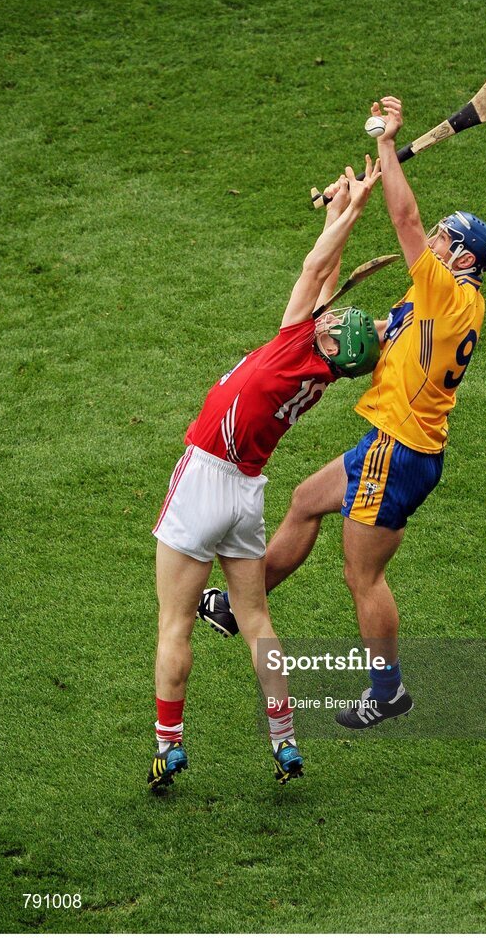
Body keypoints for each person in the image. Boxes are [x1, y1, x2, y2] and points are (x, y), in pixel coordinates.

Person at [198, 95, 486, 730]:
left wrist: (386, 146)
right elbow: (371, 333)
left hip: (401, 449)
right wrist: (345, 207)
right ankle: (235, 607)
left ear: (466, 259)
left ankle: (387, 691)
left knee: (363, 576)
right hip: (394, 443)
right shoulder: (431, 297)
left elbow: (407, 216)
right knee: (308, 499)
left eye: (447, 241)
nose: (435, 243)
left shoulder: (450, 296)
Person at [148, 157, 383, 790]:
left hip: (202, 480)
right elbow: (325, 282)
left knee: (174, 624)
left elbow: (314, 271)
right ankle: (284, 742)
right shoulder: (317, 370)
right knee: (256, 622)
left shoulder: (295, 347)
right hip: (246, 495)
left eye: (334, 327)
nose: (330, 318)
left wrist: (355, 208)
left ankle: (168, 747)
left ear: (330, 346)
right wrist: (339, 214)